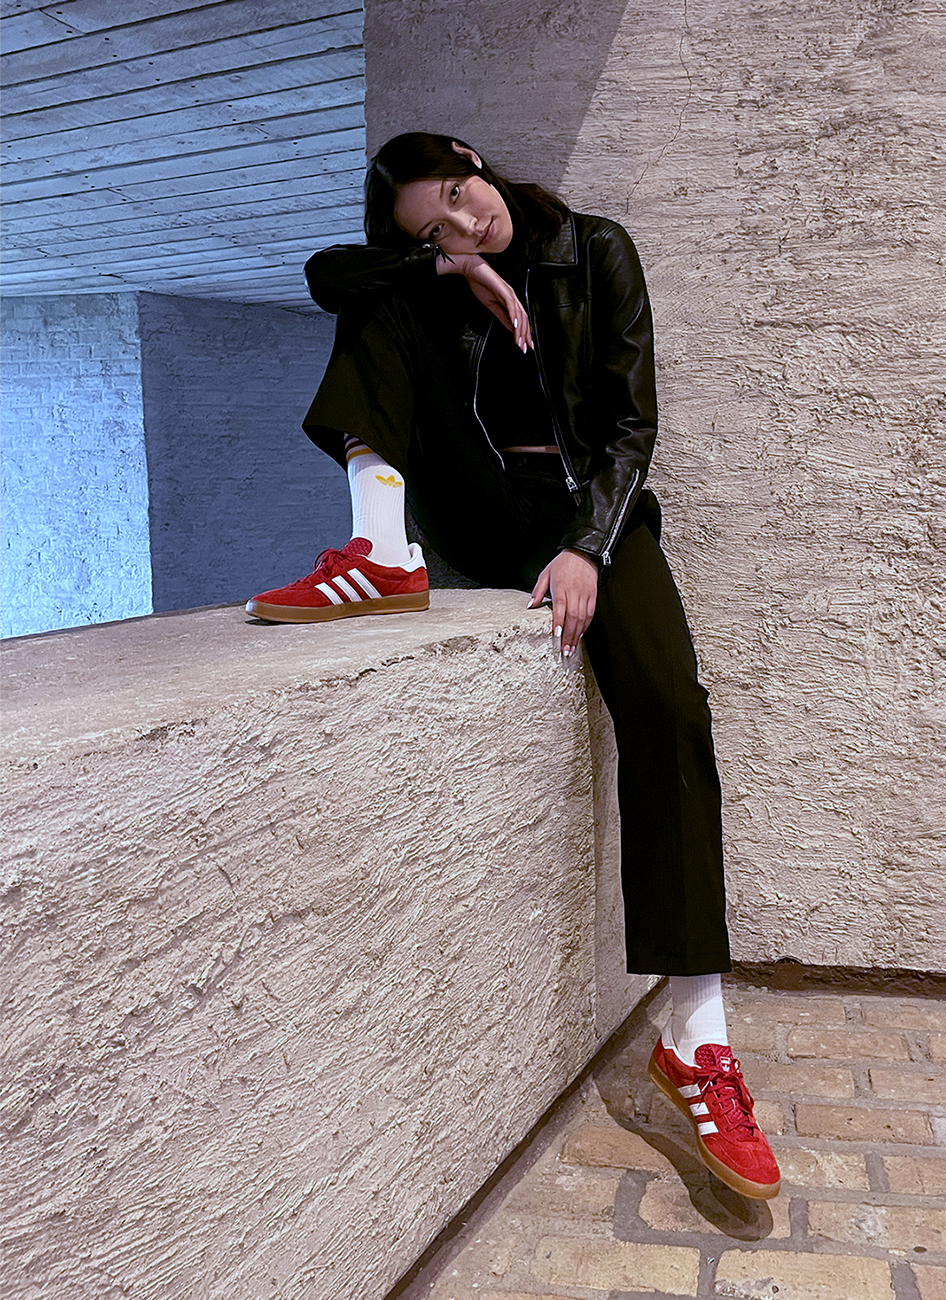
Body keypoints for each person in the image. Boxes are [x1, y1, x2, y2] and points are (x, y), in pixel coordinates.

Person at [247, 132, 781, 1200]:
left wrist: (587, 544)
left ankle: (693, 1030)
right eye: (433, 225)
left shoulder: (596, 251)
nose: (461, 223)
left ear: (477, 162)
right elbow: (323, 278)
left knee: (671, 711)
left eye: (457, 199)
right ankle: (382, 546)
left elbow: (632, 424)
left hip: (591, 513)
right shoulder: (433, 276)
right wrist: (441, 268)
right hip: (483, 514)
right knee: (369, 301)